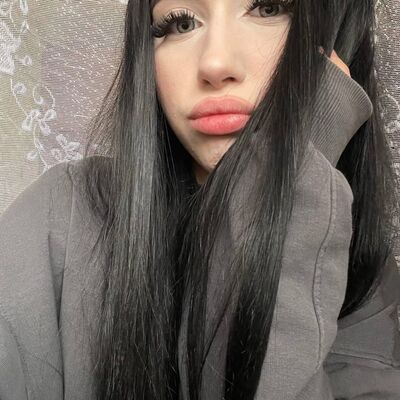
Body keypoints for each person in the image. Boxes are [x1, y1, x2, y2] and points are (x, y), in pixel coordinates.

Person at [0, 0, 399, 399]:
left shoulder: (370, 296)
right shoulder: (60, 218)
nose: (215, 64)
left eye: (267, 9)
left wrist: (295, 170)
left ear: (334, 44)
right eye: (180, 23)